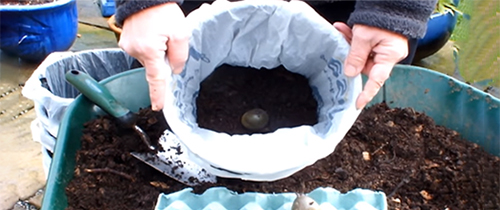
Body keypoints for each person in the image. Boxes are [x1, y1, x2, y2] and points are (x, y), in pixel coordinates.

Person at [114, 0, 436, 111]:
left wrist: (395, 9)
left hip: (348, 21)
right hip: (186, 18)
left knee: (357, 101)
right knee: (159, 105)